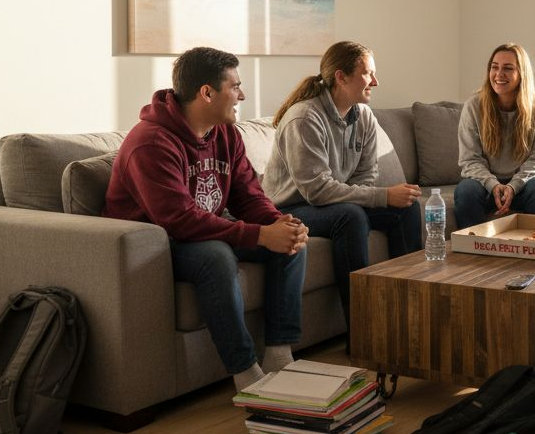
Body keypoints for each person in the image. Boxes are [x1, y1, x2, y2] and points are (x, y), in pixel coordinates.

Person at [103, 47, 309, 393]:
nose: (242, 95)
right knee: (216, 256)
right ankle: (246, 374)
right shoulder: (151, 143)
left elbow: (248, 195)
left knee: (289, 239)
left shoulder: (225, 133)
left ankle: (279, 355)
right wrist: (259, 236)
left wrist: (277, 224)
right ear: (207, 92)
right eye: (236, 86)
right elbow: (178, 220)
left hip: (200, 231)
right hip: (157, 242)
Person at [263, 41, 422, 333]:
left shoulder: (364, 116)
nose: (375, 81)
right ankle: (362, 330)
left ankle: (411, 316)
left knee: (406, 208)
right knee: (350, 216)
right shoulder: (304, 118)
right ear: (341, 77)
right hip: (292, 208)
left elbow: (366, 173)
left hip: (334, 203)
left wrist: (366, 197)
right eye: (368, 73)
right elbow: (317, 190)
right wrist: (382, 196)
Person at [455, 43, 535, 229]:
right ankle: (471, 251)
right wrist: (493, 185)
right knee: (466, 190)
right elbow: (470, 159)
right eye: (494, 67)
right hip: (484, 185)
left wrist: (513, 186)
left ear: (522, 74)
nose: (499, 74)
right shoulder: (474, 106)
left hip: (524, 184)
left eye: (508, 68)